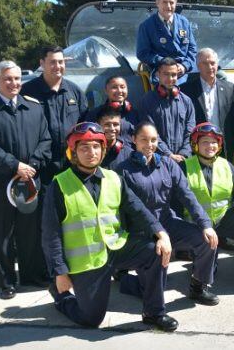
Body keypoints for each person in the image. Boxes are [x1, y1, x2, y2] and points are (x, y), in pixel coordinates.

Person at [41, 122, 177, 331]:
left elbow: (137, 209)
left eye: (96, 146)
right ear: (74, 152)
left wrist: (161, 233)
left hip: (115, 248)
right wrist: (60, 272)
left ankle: (154, 313)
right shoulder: (59, 185)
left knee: (154, 251)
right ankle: (61, 297)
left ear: (103, 150)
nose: (91, 152)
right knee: (91, 319)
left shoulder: (113, 178)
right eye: (84, 148)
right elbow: (51, 235)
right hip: (86, 261)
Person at [0, 60, 52, 299]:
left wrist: (32, 166)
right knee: (2, 232)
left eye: (17, 79)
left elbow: (45, 140)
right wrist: (15, 165)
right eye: (7, 78)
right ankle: (7, 282)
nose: (13, 83)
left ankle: (32, 275)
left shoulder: (34, 107)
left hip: (29, 180)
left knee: (30, 231)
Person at [119, 122, 220, 305]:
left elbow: (187, 195)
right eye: (144, 140)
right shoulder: (123, 171)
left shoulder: (167, 165)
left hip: (168, 222)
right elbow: (135, 209)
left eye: (153, 140)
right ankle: (128, 281)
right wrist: (159, 234)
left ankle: (198, 287)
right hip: (141, 231)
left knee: (206, 240)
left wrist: (205, 224)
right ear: (134, 140)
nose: (149, 145)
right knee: (154, 280)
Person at [181, 123, 234, 293]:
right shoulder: (183, 167)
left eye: (213, 142)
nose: (210, 146)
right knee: (209, 271)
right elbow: (175, 200)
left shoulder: (227, 166)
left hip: (223, 218)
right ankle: (201, 279)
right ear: (195, 144)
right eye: (204, 142)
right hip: (197, 224)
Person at [21, 46, 88, 185]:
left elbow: (85, 125)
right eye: (52, 62)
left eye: (60, 62)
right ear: (42, 63)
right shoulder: (27, 92)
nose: (57, 66)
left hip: (70, 165)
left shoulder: (74, 91)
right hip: (40, 167)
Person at [181, 48, 234, 155]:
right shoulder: (186, 90)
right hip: (197, 147)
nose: (210, 67)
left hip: (223, 148)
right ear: (198, 66)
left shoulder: (229, 88)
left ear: (217, 64)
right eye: (205, 63)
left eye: (212, 63)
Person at [139, 57, 196, 163]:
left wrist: (184, 153)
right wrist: (168, 155)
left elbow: (190, 131)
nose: (170, 78)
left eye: (173, 75)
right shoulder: (147, 101)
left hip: (183, 159)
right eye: (166, 74)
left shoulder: (186, 101)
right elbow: (151, 133)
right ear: (157, 74)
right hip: (158, 161)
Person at [136, 0, 197, 84]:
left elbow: (192, 49)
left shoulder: (184, 22)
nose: (168, 6)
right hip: (162, 69)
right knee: (173, 88)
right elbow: (142, 53)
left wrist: (185, 66)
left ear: (176, 3)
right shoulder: (147, 26)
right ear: (157, 3)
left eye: (172, 2)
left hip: (185, 68)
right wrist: (165, 62)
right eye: (165, 2)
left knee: (219, 76)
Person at [83, 76, 139, 143]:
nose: (119, 91)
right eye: (114, 87)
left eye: (122, 87)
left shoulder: (135, 113)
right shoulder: (94, 114)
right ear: (106, 91)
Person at [96, 107, 134, 172]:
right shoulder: (91, 152)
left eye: (116, 124)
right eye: (107, 124)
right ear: (98, 125)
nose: (112, 128)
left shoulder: (128, 154)